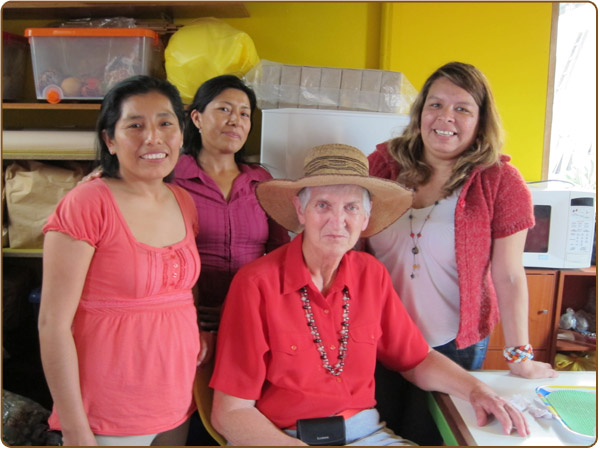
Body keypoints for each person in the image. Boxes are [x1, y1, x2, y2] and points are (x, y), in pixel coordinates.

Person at [209, 143, 530, 446]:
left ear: (365, 218)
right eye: (323, 206)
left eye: (351, 207)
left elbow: (416, 360)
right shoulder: (256, 283)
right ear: (300, 210)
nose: (338, 221)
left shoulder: (371, 274)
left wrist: (477, 391)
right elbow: (231, 413)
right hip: (281, 439)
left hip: (368, 435)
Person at [366, 61, 557, 444]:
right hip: (376, 339)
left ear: (480, 120)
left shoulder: (500, 181)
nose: (445, 117)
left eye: (462, 108)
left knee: (432, 436)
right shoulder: (381, 166)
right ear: (420, 112)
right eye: (435, 105)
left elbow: (508, 275)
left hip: (451, 344)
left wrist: (520, 357)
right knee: (377, 435)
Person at [38, 75, 206, 446]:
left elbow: (180, 290)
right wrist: (74, 426)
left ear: (181, 135)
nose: (153, 138)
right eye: (135, 125)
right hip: (108, 413)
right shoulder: (86, 204)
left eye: (165, 123)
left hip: (175, 398)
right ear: (110, 140)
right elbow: (52, 325)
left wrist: (193, 334)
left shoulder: (183, 201)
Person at [172, 74, 290, 334]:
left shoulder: (260, 182)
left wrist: (240, 302)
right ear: (196, 118)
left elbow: (282, 253)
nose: (235, 120)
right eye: (224, 109)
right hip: (185, 314)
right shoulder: (171, 178)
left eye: (244, 113)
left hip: (251, 311)